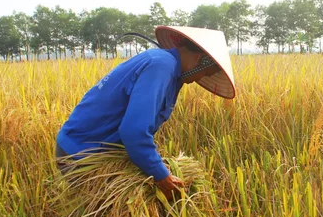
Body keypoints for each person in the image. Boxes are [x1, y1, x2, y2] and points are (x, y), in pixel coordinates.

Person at [55, 26, 236, 199]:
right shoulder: (162, 66)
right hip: (82, 153)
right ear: (200, 60)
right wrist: (161, 175)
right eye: (204, 73)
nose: (199, 79)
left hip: (92, 148)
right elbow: (134, 131)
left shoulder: (167, 68)